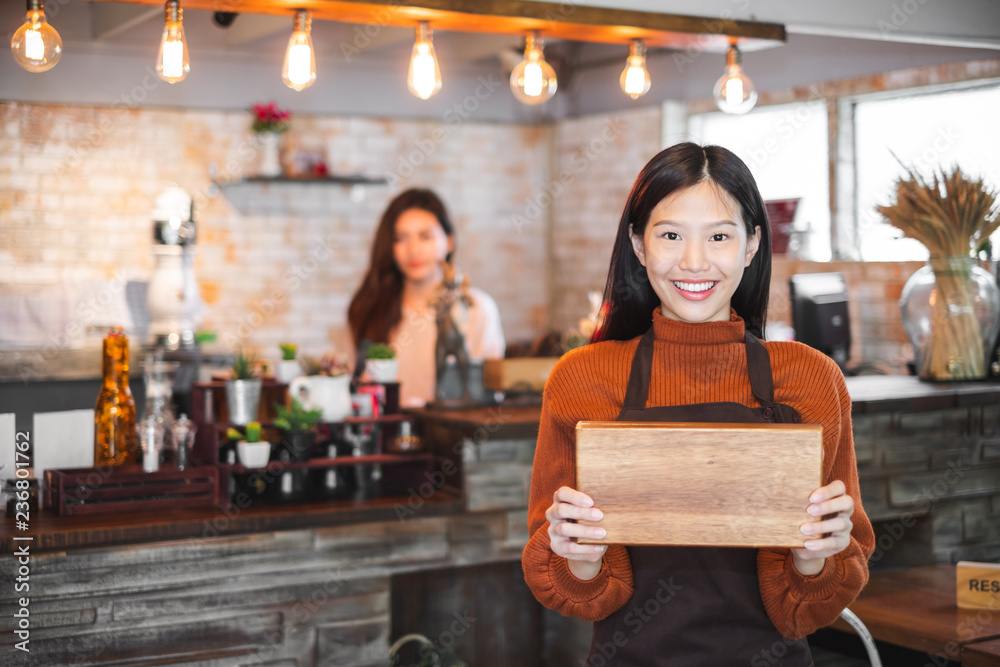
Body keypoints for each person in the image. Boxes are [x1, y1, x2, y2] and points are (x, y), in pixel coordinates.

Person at [522, 143, 875, 666]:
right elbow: (573, 590)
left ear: (753, 244)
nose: (694, 261)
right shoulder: (583, 378)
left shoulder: (810, 379)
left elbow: (806, 609)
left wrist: (813, 557)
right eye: (670, 235)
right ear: (639, 245)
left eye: (719, 236)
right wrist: (580, 559)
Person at [348, 188, 505, 407]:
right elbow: (354, 387)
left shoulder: (478, 309)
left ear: (448, 241)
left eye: (425, 236)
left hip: (454, 435)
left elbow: (487, 393)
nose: (413, 250)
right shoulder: (369, 309)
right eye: (401, 238)